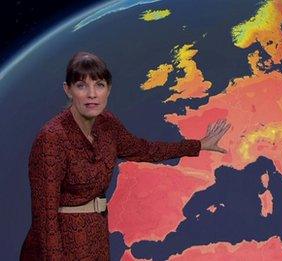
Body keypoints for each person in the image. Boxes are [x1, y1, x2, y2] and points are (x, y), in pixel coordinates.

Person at [20, 51, 231, 260]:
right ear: (68, 90)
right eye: (81, 85)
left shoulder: (107, 124)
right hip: (59, 247)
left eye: (99, 85)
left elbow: (145, 150)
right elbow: (45, 218)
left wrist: (199, 145)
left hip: (96, 238)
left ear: (108, 90)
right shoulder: (51, 139)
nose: (92, 94)